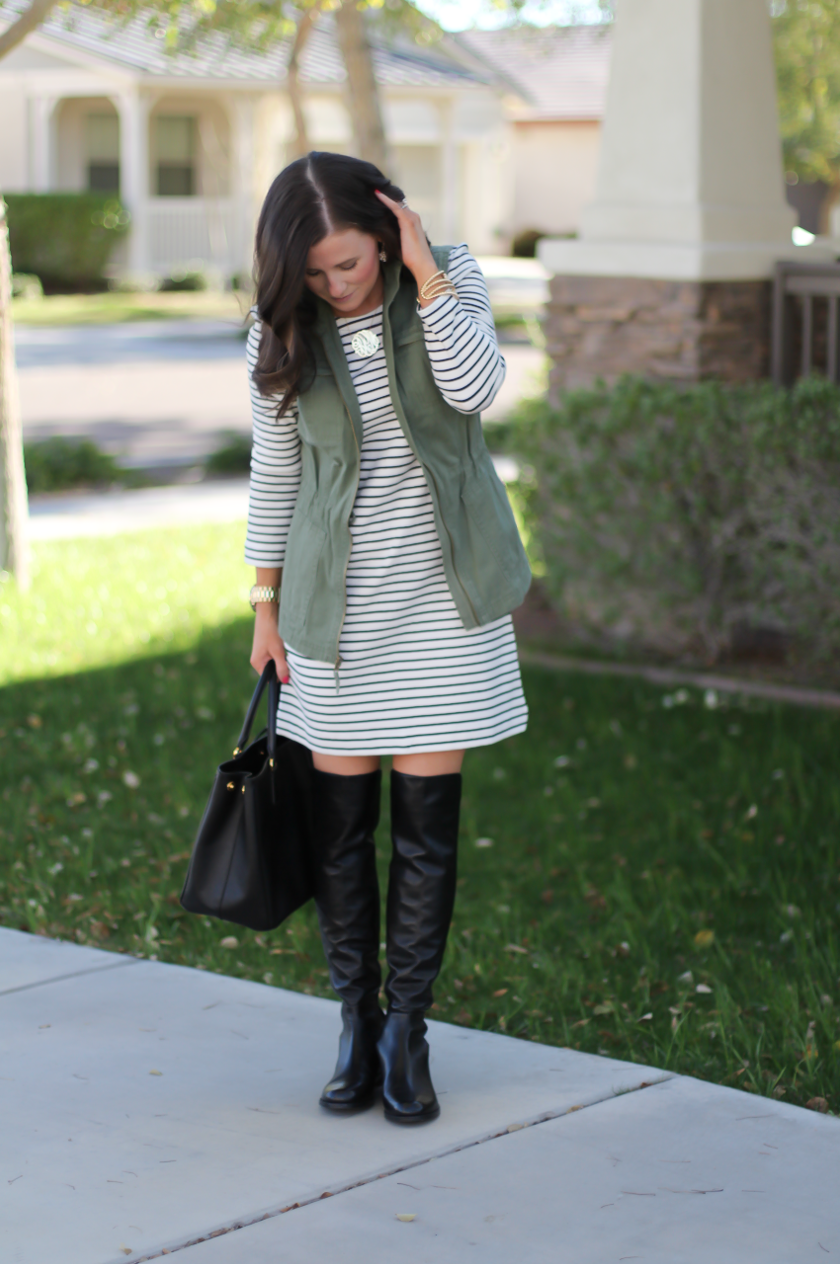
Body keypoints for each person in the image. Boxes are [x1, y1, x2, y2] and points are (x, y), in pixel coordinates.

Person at [245, 151, 530, 1124]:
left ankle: (409, 1028)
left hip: (442, 603)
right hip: (338, 610)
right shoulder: (285, 325)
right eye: (317, 273)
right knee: (339, 835)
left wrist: (424, 267)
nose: (336, 285)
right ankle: (354, 1022)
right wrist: (263, 604)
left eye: (352, 264)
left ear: (385, 231)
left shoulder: (444, 279)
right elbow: (274, 469)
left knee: (425, 834)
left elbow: (474, 390)